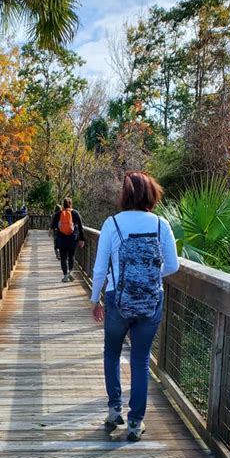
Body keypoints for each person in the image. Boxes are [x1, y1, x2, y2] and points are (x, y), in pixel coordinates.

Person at [91, 172, 179, 441]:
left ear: (124, 195)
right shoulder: (161, 224)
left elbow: (99, 268)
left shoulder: (112, 223)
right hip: (151, 300)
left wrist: (95, 299)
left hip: (118, 299)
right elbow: (173, 265)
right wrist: (151, 275)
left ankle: (114, 410)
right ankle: (135, 423)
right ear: (151, 194)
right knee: (140, 360)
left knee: (111, 353)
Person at [50, 198, 85, 282]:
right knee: (71, 256)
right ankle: (70, 273)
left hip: (61, 239)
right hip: (72, 239)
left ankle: (65, 275)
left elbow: (54, 226)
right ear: (71, 204)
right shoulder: (75, 213)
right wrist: (82, 239)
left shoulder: (58, 214)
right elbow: (80, 227)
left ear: (63, 205)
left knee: (63, 257)